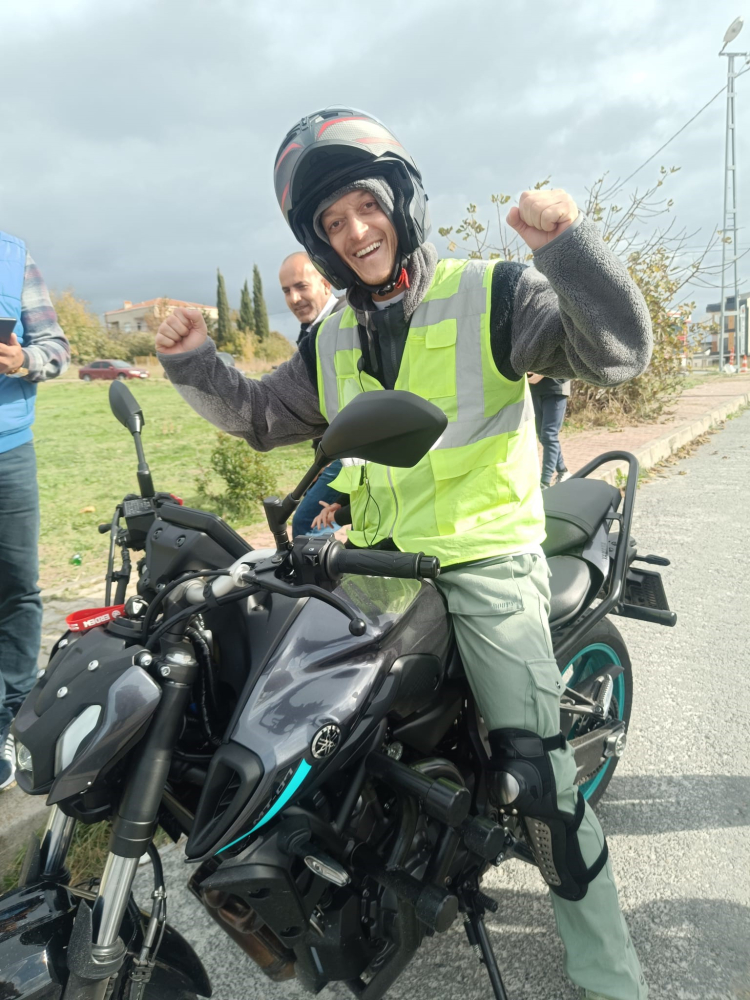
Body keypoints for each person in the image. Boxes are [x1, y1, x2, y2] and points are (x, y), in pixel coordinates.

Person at [156, 108, 652, 1000]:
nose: (354, 232)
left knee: (539, 780)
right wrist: (196, 361)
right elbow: (264, 416)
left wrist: (567, 250)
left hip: (483, 562)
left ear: (400, 201)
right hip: (377, 568)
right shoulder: (332, 335)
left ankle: (611, 975)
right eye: (331, 222)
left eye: (364, 206)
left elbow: (617, 354)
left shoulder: (493, 293)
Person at [0, 230, 70, 791]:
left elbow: (57, 349)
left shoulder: (14, 257)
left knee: (18, 588)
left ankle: (14, 714)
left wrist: (24, 358)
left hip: (8, 454)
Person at [278, 251, 347, 537]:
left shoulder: (345, 321)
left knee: (307, 523)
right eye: (286, 291)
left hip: (354, 453)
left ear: (326, 284)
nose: (294, 298)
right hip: (337, 451)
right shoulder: (312, 330)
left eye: (301, 286)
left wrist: (328, 458)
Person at [529, 373, 571, 487]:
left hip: (556, 386)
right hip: (535, 389)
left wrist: (542, 372)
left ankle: (545, 482)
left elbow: (564, 362)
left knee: (549, 435)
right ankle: (563, 471)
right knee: (543, 436)